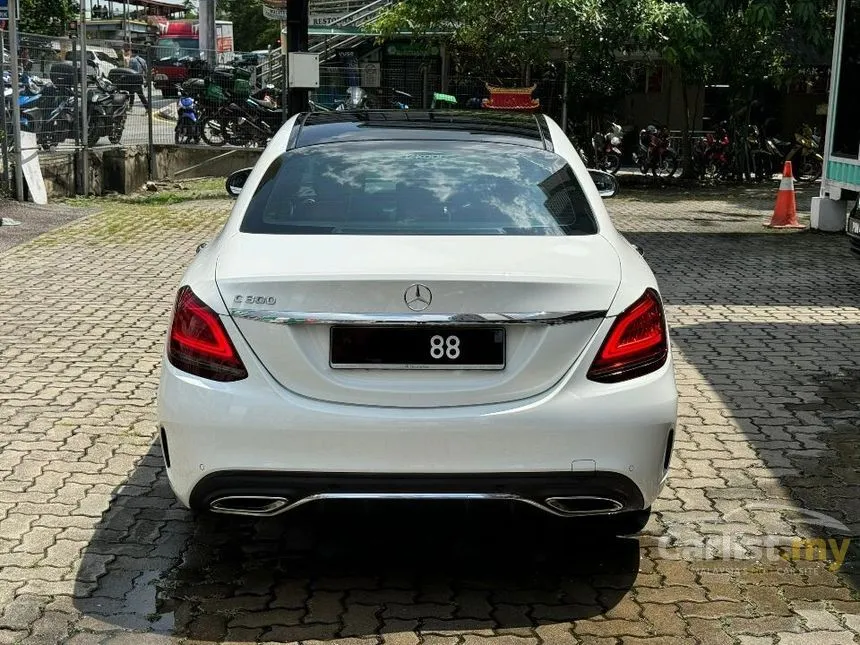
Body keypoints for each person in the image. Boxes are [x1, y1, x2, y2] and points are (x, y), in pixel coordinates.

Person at [122, 43, 149, 112]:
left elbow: (128, 70)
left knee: (135, 94)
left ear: (131, 52)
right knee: (136, 94)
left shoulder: (131, 60)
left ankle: (147, 108)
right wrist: (146, 80)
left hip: (132, 79)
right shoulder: (142, 60)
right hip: (139, 79)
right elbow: (146, 70)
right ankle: (132, 107)